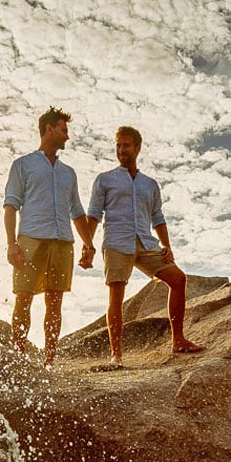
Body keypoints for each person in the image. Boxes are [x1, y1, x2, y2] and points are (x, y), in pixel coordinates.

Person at [85, 125, 205, 368]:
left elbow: (158, 217)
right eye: (118, 146)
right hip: (117, 241)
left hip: (145, 242)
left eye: (126, 145)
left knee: (178, 279)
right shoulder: (105, 180)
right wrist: (88, 246)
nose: (121, 150)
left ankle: (178, 339)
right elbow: (94, 215)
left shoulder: (150, 184)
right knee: (116, 298)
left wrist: (167, 245)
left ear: (137, 148)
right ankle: (116, 356)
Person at [4, 106, 94, 366]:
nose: (67, 136)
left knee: (55, 303)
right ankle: (20, 358)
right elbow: (11, 206)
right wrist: (11, 244)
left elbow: (77, 212)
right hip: (31, 239)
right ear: (49, 129)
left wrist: (89, 244)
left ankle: (49, 361)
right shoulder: (23, 165)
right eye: (64, 130)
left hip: (63, 241)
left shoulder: (69, 173)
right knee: (23, 297)